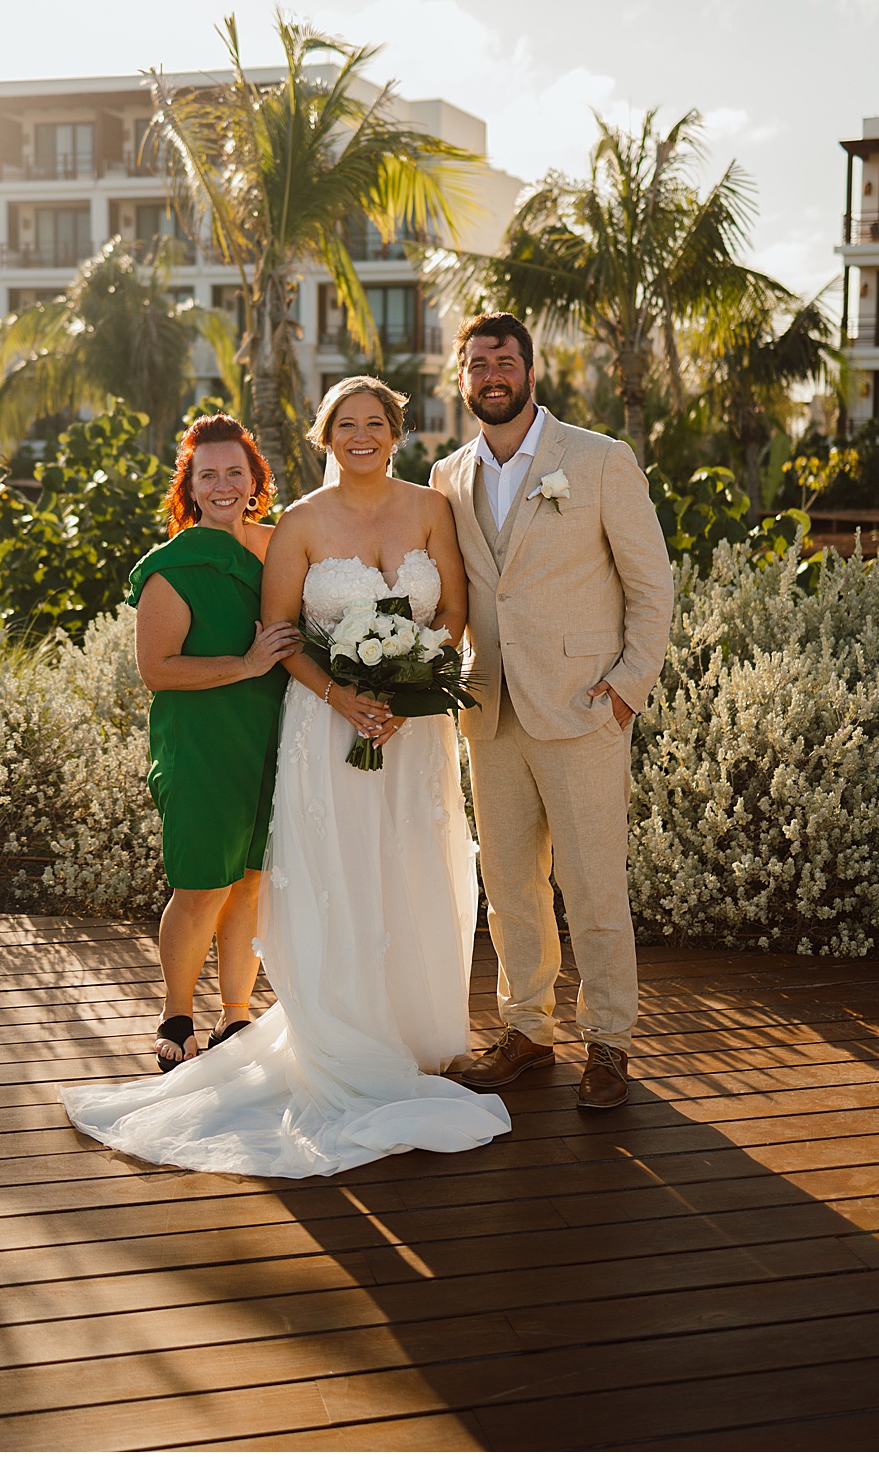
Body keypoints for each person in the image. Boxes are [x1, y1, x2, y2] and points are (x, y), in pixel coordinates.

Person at [60, 377, 509, 1176]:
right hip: (321, 721)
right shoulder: (292, 525)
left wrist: (410, 674)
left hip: (409, 730)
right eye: (346, 424)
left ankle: (403, 1030)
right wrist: (346, 694)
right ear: (324, 437)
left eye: (375, 423)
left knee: (403, 865)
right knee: (314, 874)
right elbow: (280, 633)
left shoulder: (423, 509)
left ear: (395, 432)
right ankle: (236, 1022)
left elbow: (452, 613)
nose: (361, 435)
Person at [430, 313, 675, 1109]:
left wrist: (627, 688)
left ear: (531, 371)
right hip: (491, 707)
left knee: (593, 884)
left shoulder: (599, 459)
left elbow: (652, 585)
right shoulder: (447, 475)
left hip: (583, 708)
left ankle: (608, 1040)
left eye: (505, 360)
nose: (491, 374)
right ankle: (527, 1028)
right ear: (461, 379)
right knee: (509, 883)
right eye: (477, 363)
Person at [126, 413, 297, 1070]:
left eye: (235, 472)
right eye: (208, 475)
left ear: (255, 480)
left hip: (272, 734)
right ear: (190, 487)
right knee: (201, 885)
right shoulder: (172, 568)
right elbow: (157, 669)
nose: (223, 485)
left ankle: (236, 1012)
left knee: (250, 881)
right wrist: (248, 664)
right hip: (200, 743)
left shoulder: (280, 546)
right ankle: (176, 1012)